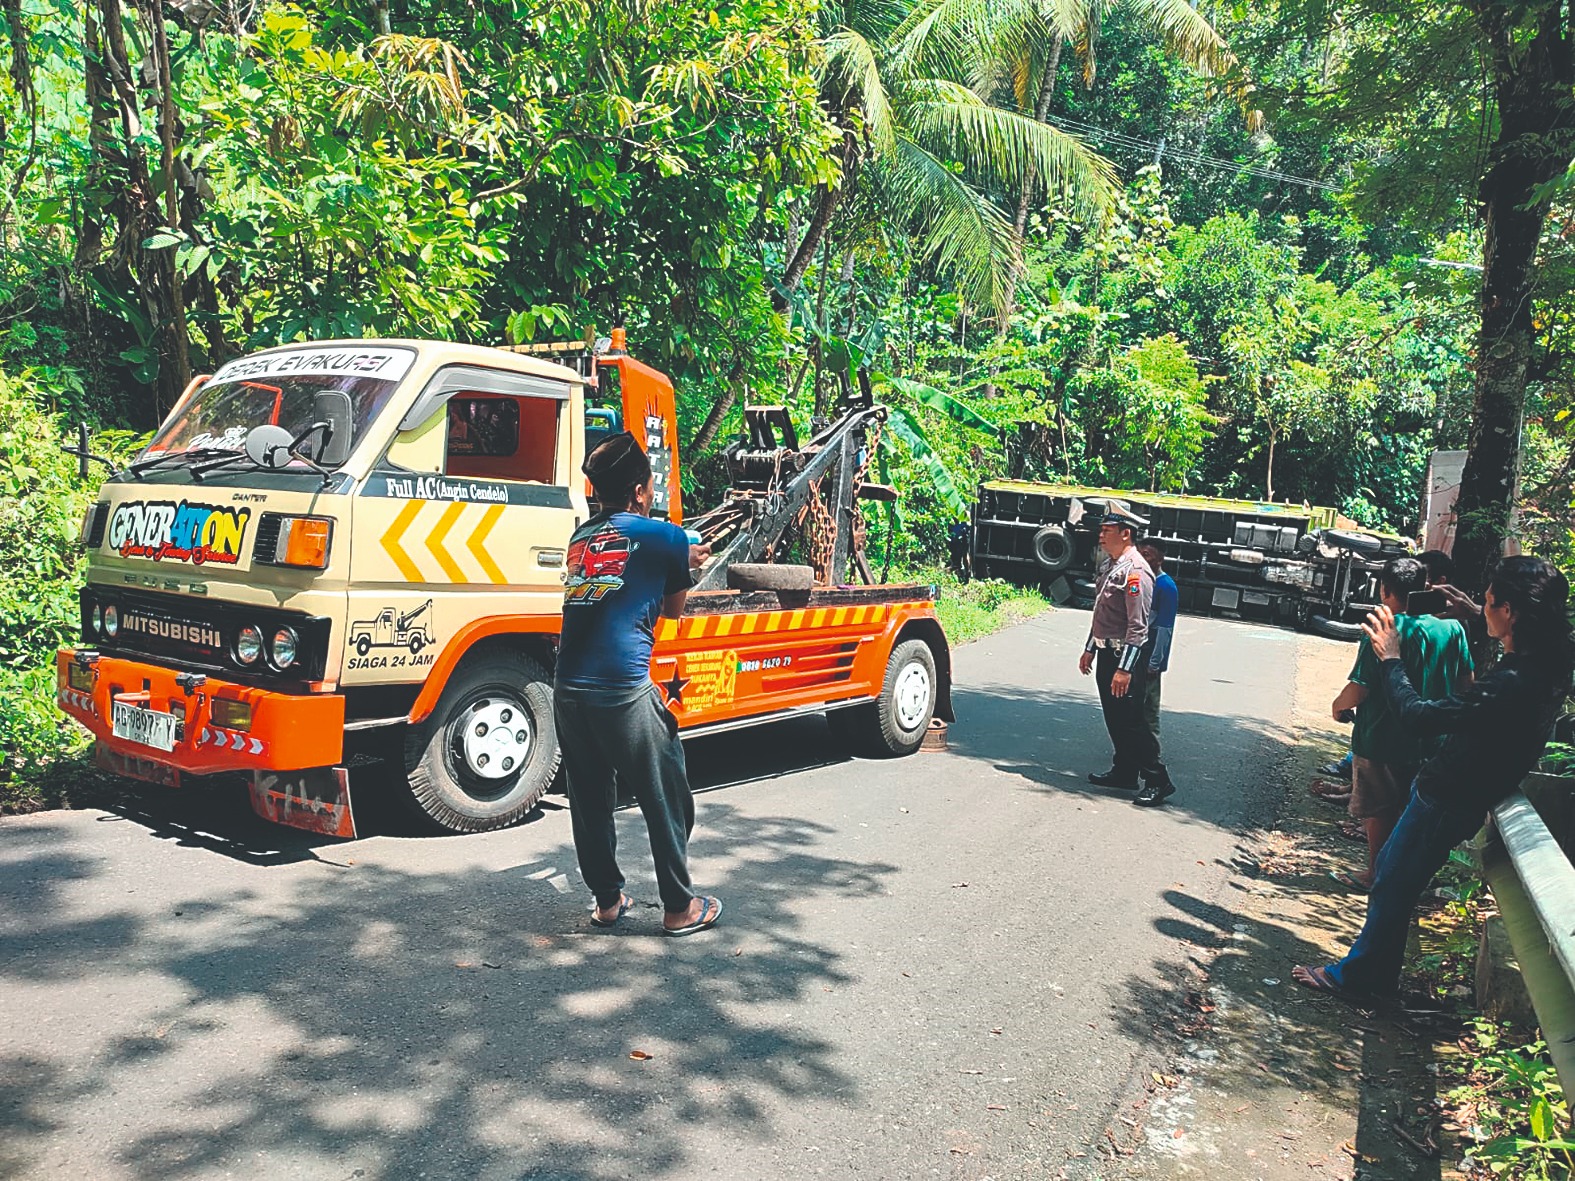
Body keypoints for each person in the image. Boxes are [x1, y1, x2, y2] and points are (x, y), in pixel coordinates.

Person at [1293, 556, 1572, 1004]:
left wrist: (1391, 658)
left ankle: (1358, 977)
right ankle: (1373, 978)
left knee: (1392, 881)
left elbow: (1418, 716)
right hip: (1459, 791)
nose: (1481, 609)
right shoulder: (1548, 663)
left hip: (1448, 795)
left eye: (1487, 603)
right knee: (1392, 878)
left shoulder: (1511, 681)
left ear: (1511, 612)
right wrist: (1470, 616)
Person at [553, 432, 722, 935]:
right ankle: (678, 907)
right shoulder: (666, 536)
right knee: (667, 791)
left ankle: (607, 901)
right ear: (639, 491)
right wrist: (685, 563)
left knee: (588, 797)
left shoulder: (580, 538)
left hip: (568, 688)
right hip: (623, 689)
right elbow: (671, 612)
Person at [1328, 558, 1474, 891]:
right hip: (1432, 742)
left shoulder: (1385, 629)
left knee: (1379, 811)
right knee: (1413, 809)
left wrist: (1338, 706)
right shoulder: (1453, 629)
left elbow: (1360, 688)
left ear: (1384, 589)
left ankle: (1376, 873)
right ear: (1426, 588)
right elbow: (1467, 681)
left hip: (1381, 738)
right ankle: (1408, 875)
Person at [1079, 502, 1173, 805]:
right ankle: (1125, 771)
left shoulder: (1136, 571)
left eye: (1107, 531)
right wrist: (1090, 648)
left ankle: (1157, 779)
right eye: (1101, 531)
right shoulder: (1111, 565)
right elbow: (1103, 615)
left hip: (1126, 658)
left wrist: (1124, 670)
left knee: (1132, 721)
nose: (1101, 536)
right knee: (1114, 717)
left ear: (1126, 533)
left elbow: (1138, 627)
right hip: (1108, 652)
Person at [1136, 539, 1179, 799]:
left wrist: (1155, 661)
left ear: (1159, 559)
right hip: (1135, 655)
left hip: (1150, 658)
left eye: (1148, 555)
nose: (1143, 558)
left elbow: (1164, 628)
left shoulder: (1165, 587)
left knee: (1148, 711)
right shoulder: (1141, 580)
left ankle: (1152, 756)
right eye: (1140, 553)